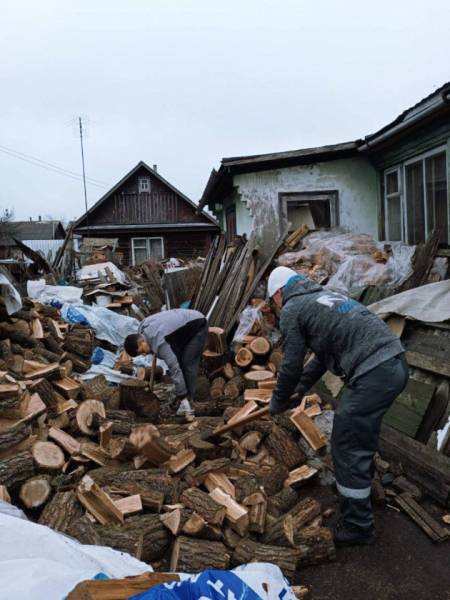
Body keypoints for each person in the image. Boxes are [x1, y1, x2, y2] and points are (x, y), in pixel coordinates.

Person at [267, 266, 409, 547]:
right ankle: (366, 494)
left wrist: (278, 401)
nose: (276, 307)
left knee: (346, 442)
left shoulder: (293, 307)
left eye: (273, 301)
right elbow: (321, 358)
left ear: (280, 292)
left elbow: (292, 361)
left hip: (374, 371)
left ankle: (358, 526)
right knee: (360, 436)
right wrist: (300, 389)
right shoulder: (325, 296)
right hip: (395, 364)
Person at [124, 309, 208, 417]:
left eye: (142, 352)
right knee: (181, 360)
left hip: (198, 325)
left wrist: (183, 399)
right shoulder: (143, 328)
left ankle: (188, 403)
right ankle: (183, 398)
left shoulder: (161, 342)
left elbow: (175, 369)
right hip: (182, 326)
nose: (144, 355)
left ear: (142, 341)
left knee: (187, 363)